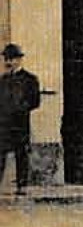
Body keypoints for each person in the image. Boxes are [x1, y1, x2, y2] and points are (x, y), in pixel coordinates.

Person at [0, 44, 42, 195]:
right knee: (0, 154)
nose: (8, 62)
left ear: (19, 60)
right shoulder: (3, 80)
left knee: (21, 153)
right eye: (6, 59)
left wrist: (20, 109)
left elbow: (35, 101)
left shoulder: (30, 79)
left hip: (20, 123)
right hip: (3, 124)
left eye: (11, 59)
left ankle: (22, 186)